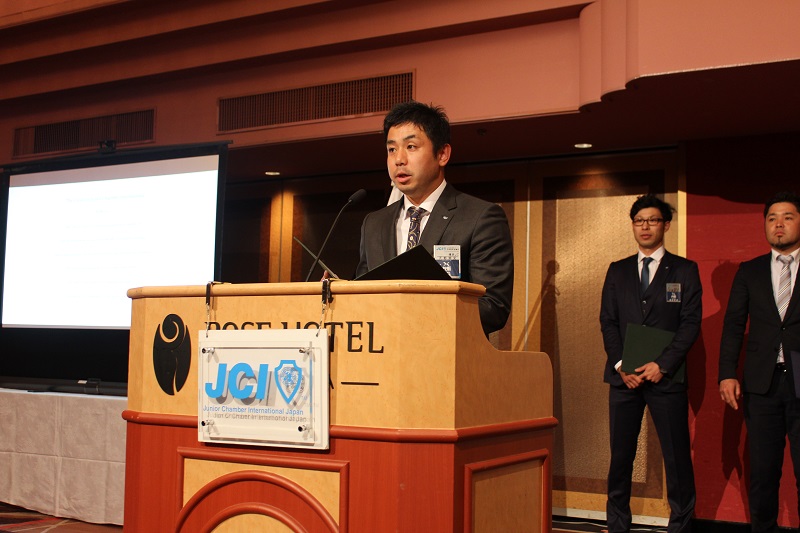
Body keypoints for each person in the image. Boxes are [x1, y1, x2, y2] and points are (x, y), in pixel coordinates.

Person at [355, 101, 513, 335]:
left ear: (442, 154)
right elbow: (361, 296)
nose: (399, 159)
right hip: (382, 352)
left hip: (446, 352)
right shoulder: (374, 223)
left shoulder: (480, 217)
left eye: (411, 147)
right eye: (392, 149)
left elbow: (493, 307)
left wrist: (414, 315)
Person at [600, 194, 702, 533]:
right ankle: (617, 524)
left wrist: (663, 364)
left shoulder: (685, 270)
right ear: (633, 226)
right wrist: (620, 364)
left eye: (653, 220)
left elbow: (690, 324)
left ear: (666, 225)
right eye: (639, 221)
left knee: (676, 456)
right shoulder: (617, 270)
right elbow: (608, 321)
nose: (645, 226)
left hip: (666, 378)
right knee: (620, 457)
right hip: (624, 379)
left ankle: (681, 525)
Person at [719, 191, 800, 533]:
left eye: (787, 217)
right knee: (763, 473)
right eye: (771, 218)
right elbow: (734, 325)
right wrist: (727, 374)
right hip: (762, 385)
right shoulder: (749, 271)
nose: (778, 224)